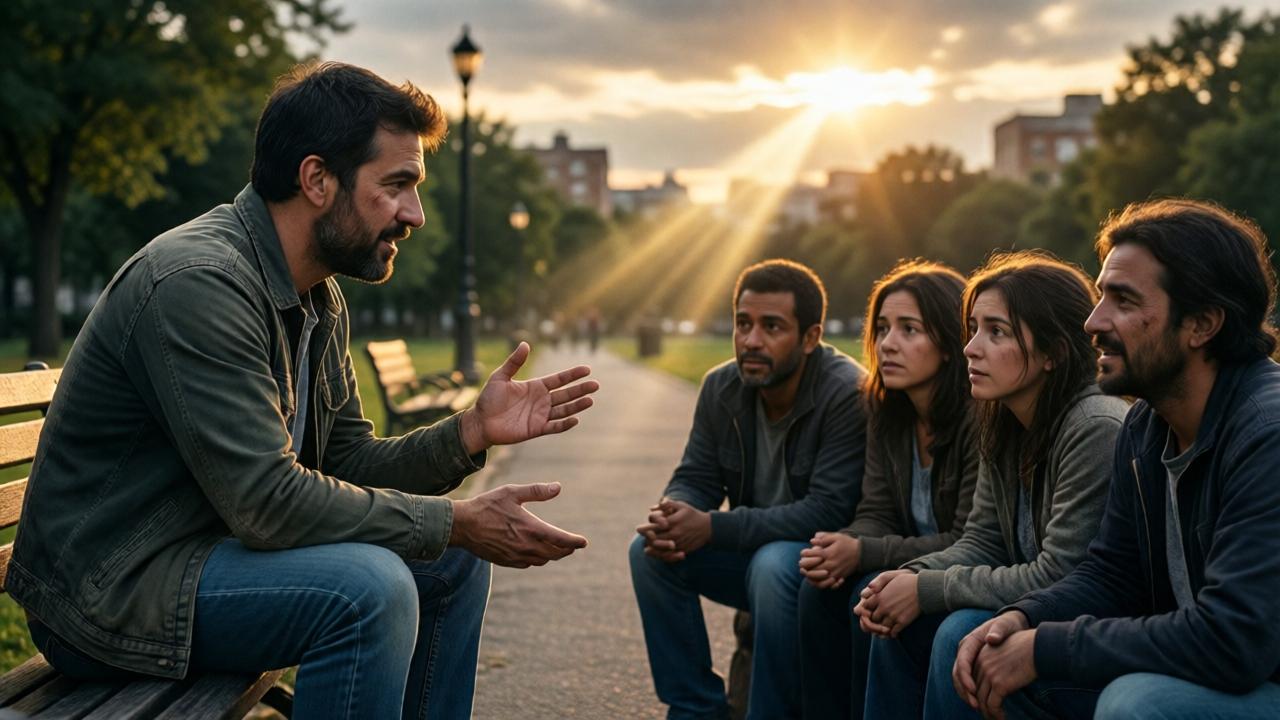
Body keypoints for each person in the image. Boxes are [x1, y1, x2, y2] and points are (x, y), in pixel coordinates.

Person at [8, 62, 599, 720]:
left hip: (206, 558)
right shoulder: (199, 283)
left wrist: (468, 433)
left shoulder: (317, 293)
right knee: (370, 590)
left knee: (449, 569)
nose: (416, 214)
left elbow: (346, 462)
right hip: (110, 593)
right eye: (397, 185)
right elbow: (267, 504)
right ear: (317, 179)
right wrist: (457, 521)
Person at [951, 200, 1280, 719]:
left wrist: (1046, 646)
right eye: (1101, 295)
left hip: (1254, 677)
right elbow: (1111, 574)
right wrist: (1022, 618)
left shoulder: (1266, 434)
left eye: (1122, 301)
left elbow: (1233, 639)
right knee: (979, 652)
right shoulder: (1147, 425)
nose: (1092, 321)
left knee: (1138, 703)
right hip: (1213, 670)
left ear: (1201, 324)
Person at [857, 251, 1128, 720]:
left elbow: (1059, 575)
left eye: (996, 331)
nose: (971, 347)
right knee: (895, 621)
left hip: (1092, 639)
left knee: (958, 630)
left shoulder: (1095, 426)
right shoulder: (1003, 416)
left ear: (1053, 352)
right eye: (974, 328)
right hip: (1030, 611)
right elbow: (982, 540)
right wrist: (904, 578)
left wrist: (925, 588)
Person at [629, 258, 866, 720]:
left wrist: (711, 527)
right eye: (743, 323)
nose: (751, 340)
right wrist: (675, 514)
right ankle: (696, 709)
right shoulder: (721, 386)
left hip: (824, 569)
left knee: (773, 563)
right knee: (647, 552)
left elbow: (828, 511)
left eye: (772, 327)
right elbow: (696, 475)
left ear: (811, 337)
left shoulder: (845, 393)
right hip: (750, 554)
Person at [797, 260, 980, 719]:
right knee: (818, 589)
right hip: (902, 563)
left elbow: (968, 540)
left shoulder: (980, 419)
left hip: (956, 572)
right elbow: (875, 507)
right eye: (881, 328)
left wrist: (862, 553)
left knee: (870, 599)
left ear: (948, 342)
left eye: (909, 329)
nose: (888, 343)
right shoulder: (887, 409)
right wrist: (845, 545)